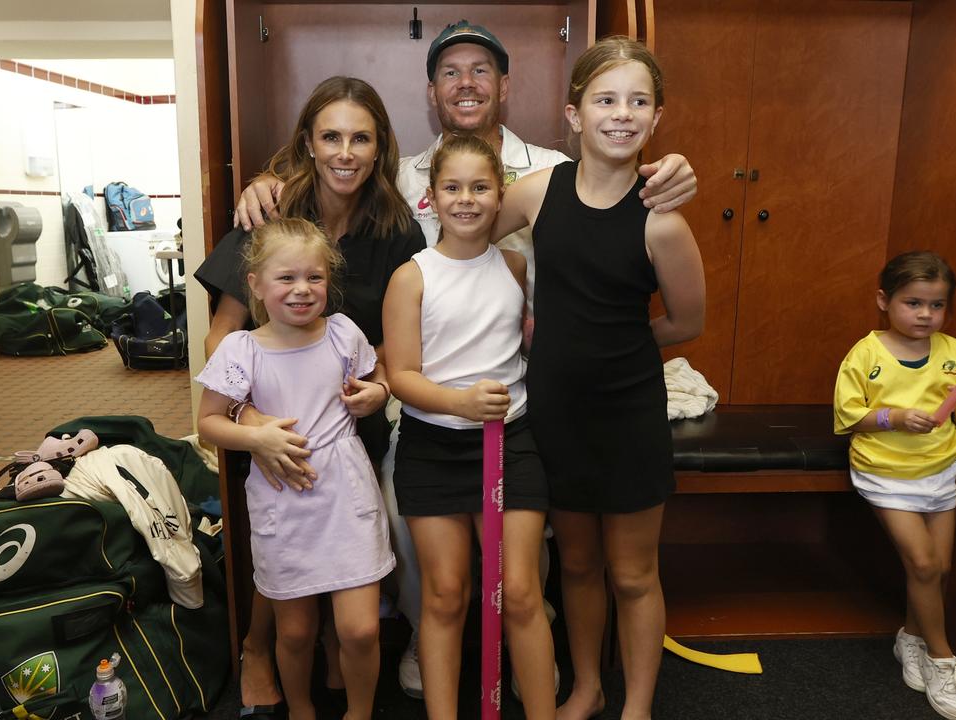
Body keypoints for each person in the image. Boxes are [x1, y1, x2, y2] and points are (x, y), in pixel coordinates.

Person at [232, 20, 699, 698]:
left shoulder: (542, 172)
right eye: (451, 71)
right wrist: (267, 180)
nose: (466, 83)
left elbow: (608, 206)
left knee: (561, 567)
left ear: (506, 86)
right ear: (432, 91)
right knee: (414, 523)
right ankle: (430, 634)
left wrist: (671, 169)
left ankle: (540, 659)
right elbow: (337, 166)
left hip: (526, 401)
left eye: (482, 69)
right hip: (423, 397)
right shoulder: (399, 176)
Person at [194, 76, 424, 716]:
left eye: (361, 138)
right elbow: (220, 335)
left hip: (352, 427)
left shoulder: (397, 232)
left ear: (380, 149)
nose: (345, 152)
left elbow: (397, 349)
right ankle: (259, 647)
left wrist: (377, 391)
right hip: (264, 418)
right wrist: (249, 416)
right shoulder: (267, 216)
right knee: (284, 553)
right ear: (308, 143)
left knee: (346, 575)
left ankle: (333, 645)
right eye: (330, 137)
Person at [492, 36, 706, 720]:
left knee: (634, 573)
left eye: (638, 101)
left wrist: (616, 347)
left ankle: (636, 706)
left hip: (629, 414)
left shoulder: (663, 223)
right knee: (578, 565)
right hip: (554, 409)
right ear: (574, 114)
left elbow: (685, 321)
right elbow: (462, 243)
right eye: (606, 99)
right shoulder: (534, 193)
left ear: (657, 117)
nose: (622, 113)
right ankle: (586, 686)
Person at [381, 135, 554, 719]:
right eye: (452, 187)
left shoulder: (514, 263)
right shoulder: (412, 276)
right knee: (446, 594)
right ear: (430, 199)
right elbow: (401, 375)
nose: (467, 199)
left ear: (500, 194)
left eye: (480, 187)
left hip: (511, 443)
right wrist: (459, 404)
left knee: (522, 593)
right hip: (433, 448)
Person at [197, 217, 395, 720]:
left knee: (360, 629)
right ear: (256, 285)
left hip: (346, 496)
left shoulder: (344, 334)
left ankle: (360, 711)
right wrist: (255, 435)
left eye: (315, 277)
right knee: (296, 630)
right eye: (286, 278)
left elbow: (376, 378)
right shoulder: (242, 349)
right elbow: (209, 424)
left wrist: (378, 392)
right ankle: (302, 709)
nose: (302, 290)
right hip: (282, 502)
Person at [833, 251, 956, 720]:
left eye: (936, 305)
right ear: (885, 300)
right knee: (921, 562)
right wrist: (895, 417)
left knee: (939, 570)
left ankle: (910, 638)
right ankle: (944, 659)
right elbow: (848, 418)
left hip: (940, 469)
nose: (925, 315)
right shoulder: (866, 353)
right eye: (913, 303)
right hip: (885, 472)